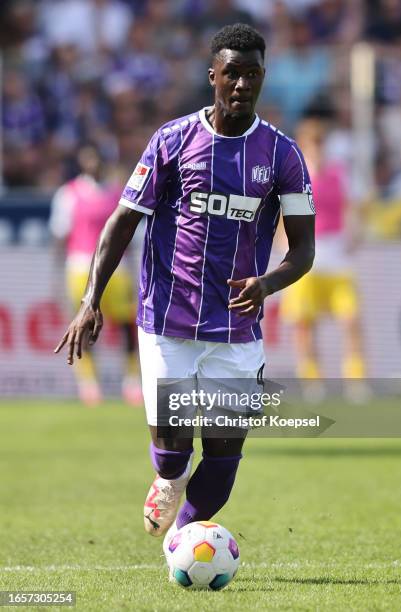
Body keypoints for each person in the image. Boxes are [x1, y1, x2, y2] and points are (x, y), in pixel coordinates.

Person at [54, 23, 315, 562]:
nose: (242, 84)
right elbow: (123, 221)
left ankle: (184, 545)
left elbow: (303, 251)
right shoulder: (173, 140)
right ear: (212, 75)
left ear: (263, 78)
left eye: (252, 75)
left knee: (219, 470)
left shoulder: (282, 155)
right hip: (167, 322)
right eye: (232, 74)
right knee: (174, 456)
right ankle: (169, 486)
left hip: (236, 332)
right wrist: (90, 300)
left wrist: (267, 283)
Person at [50, 144, 142, 406]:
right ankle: (90, 385)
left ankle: (132, 382)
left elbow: (129, 236)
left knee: (127, 326)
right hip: (80, 267)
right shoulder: (68, 194)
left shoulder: (118, 193)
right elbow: (60, 236)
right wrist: (57, 274)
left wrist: (136, 270)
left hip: (117, 268)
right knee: (85, 327)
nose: (92, 163)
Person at [280, 117, 366, 382]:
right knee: (305, 323)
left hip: (337, 258)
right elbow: (283, 216)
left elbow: (354, 206)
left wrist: (354, 233)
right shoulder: (294, 176)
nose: (317, 148)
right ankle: (311, 379)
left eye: (320, 143)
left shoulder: (339, 173)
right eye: (312, 143)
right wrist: (287, 247)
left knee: (350, 319)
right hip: (307, 258)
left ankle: (356, 378)